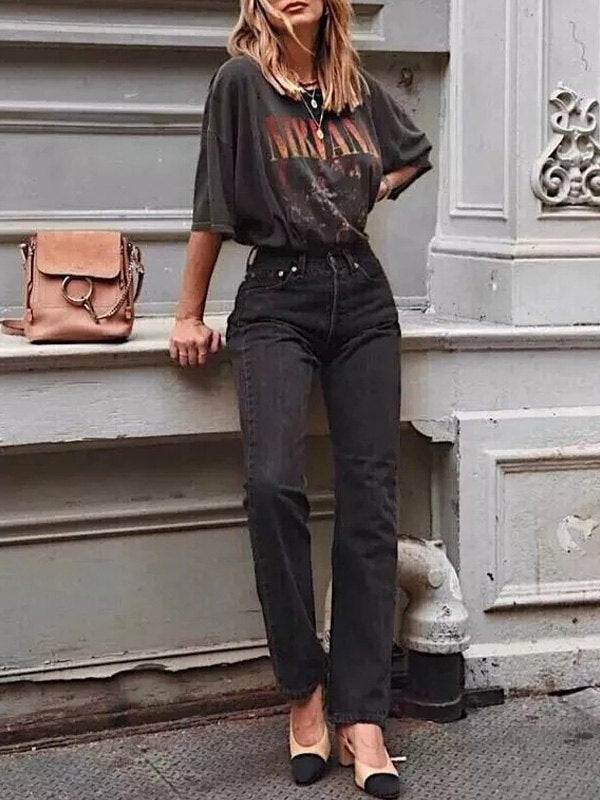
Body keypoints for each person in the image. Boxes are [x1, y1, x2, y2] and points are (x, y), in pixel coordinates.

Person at [169, 1, 432, 796]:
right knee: (273, 485)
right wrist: (187, 311)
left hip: (363, 299)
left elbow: (414, 155)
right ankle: (304, 691)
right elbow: (213, 203)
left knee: (370, 500)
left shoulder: (353, 84)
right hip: (276, 298)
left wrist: (369, 188)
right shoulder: (240, 83)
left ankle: (363, 714)